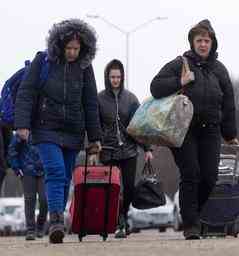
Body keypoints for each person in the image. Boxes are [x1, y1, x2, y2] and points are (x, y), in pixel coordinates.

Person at [14, 19, 102, 243]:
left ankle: (58, 221)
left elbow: (90, 102)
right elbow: (27, 92)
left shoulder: (84, 66)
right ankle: (55, 220)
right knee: (54, 170)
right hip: (45, 128)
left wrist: (95, 138)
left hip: (73, 130)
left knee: (64, 178)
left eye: (77, 48)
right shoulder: (42, 61)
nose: (72, 52)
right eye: (69, 48)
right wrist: (22, 124)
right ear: (59, 45)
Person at [150, 19, 239, 239]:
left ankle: (194, 214)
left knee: (209, 177)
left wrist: (229, 134)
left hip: (210, 130)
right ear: (192, 42)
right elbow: (155, 86)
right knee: (191, 173)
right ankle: (190, 224)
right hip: (183, 129)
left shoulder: (219, 69)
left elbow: (228, 102)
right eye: (199, 40)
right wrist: (180, 80)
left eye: (206, 40)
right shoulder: (180, 63)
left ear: (212, 43)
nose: (202, 44)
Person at [98, 59, 153, 238]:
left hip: (129, 150)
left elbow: (139, 125)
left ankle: (125, 215)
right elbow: (93, 125)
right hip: (108, 150)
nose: (115, 80)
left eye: (118, 77)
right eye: (112, 76)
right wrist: (93, 148)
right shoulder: (99, 99)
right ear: (107, 77)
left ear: (122, 78)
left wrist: (148, 149)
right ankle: (118, 221)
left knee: (129, 187)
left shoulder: (130, 99)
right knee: (113, 189)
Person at [7, 133, 48, 240]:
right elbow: (12, 150)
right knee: (30, 200)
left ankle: (40, 225)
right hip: (27, 171)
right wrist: (16, 168)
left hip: (44, 170)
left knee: (45, 199)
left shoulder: (45, 128)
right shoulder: (21, 131)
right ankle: (30, 230)